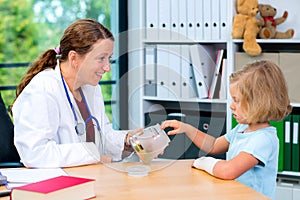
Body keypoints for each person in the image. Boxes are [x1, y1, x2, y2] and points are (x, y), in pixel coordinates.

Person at [11, 18, 139, 168]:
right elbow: (34, 154)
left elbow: (103, 134)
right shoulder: (43, 89)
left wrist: (128, 140)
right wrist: (92, 155)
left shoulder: (90, 87)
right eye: (101, 58)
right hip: (57, 185)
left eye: (109, 58)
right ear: (74, 58)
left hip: (89, 177)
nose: (107, 68)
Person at [161, 60, 292, 199]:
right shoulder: (242, 129)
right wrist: (187, 129)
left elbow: (228, 170)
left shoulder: (263, 139)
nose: (231, 106)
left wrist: (202, 162)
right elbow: (212, 146)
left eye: (237, 100)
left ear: (258, 103)